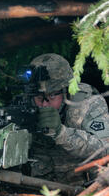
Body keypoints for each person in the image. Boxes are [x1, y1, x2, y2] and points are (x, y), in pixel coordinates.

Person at [26, 53, 109, 185]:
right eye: (38, 97)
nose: (44, 104)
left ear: (67, 92)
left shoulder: (88, 103)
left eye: (52, 96)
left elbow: (105, 149)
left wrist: (62, 133)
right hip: (35, 187)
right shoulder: (25, 106)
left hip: (83, 186)